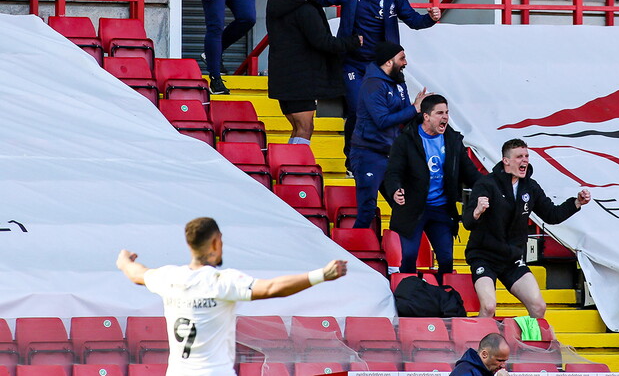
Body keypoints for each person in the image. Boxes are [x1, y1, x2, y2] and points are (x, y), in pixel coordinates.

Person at [116, 217, 347, 375]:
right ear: (216, 242)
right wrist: (321, 275)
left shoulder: (168, 277)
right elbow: (272, 288)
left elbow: (136, 273)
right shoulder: (222, 282)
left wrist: (124, 261)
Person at [309, 0, 441, 170]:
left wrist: (431, 18)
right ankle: (353, 161)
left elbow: (415, 21)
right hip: (352, 63)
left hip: (383, 67)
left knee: (397, 110)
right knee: (357, 109)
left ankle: (398, 158)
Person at [462, 138, 591, 318]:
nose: (525, 160)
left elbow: (551, 215)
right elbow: (467, 222)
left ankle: (534, 346)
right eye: (519, 157)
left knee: (539, 306)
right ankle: (479, 344)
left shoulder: (530, 187)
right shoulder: (487, 184)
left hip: (512, 259)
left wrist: (576, 203)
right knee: (489, 306)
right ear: (506, 161)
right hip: (485, 257)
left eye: (526, 156)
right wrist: (477, 211)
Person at [383, 94, 483, 276]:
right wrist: (395, 190)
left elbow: (469, 172)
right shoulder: (405, 140)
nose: (445, 117)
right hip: (412, 208)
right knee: (410, 255)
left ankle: (440, 296)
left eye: (446, 112)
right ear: (426, 116)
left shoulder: (453, 141)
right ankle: (408, 293)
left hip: (441, 209)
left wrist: (489, 187)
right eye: (439, 113)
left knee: (446, 258)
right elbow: (393, 171)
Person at [266, 0, 363, 145]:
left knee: (297, 128)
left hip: (281, 78)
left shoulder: (275, 2)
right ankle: (297, 171)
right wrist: (353, 42)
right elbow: (323, 42)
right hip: (300, 80)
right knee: (305, 128)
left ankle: (291, 167)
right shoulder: (304, 9)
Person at [351, 41, 429, 229]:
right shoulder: (373, 85)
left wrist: (423, 113)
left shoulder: (399, 83)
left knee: (404, 208)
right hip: (367, 154)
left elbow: (406, 115)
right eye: (402, 58)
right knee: (367, 211)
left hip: (391, 155)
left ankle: (397, 253)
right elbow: (382, 120)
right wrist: (413, 109)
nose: (406, 63)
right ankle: (351, 252)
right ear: (388, 62)